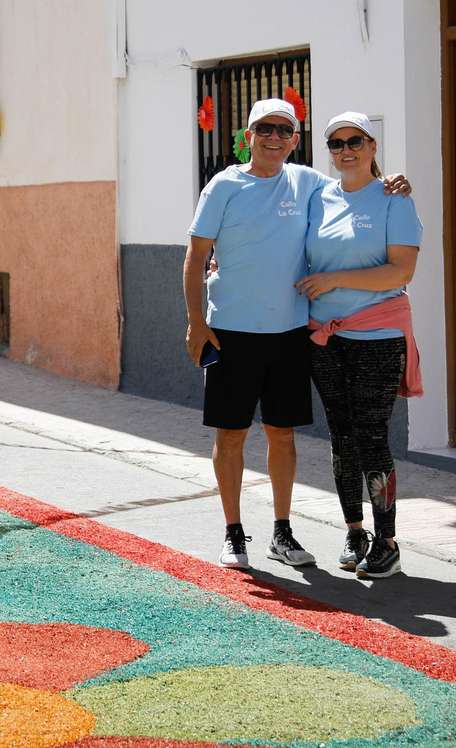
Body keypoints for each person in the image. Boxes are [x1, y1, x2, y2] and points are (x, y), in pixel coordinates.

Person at [184, 98, 409, 569]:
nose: (275, 137)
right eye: (265, 129)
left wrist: (392, 181)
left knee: (282, 435)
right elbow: (196, 255)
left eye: (284, 130)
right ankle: (233, 533)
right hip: (230, 332)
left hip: (289, 332)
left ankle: (282, 533)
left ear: (295, 140)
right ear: (248, 135)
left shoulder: (308, 182)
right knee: (231, 435)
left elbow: (355, 186)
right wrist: (196, 321)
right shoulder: (223, 186)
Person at [296, 112, 422, 580]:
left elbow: (401, 271)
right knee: (341, 436)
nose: (345, 150)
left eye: (355, 141)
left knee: (371, 436)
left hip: (378, 335)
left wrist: (335, 279)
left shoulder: (394, 198)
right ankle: (355, 532)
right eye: (336, 143)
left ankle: (387, 541)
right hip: (324, 337)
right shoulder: (318, 196)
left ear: (372, 145)